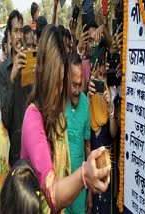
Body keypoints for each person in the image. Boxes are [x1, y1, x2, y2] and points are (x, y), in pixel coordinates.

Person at [21, 24, 110, 213]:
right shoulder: (32, 118)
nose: (61, 90)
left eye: (62, 83)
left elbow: (67, 170)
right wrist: (85, 174)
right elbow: (52, 193)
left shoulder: (57, 117)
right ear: (45, 77)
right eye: (57, 82)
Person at [0, 10, 32, 167]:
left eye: (21, 30)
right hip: (12, 155)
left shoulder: (30, 64)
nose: (19, 36)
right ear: (9, 35)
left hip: (30, 149)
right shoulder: (3, 71)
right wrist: (12, 77)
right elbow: (5, 117)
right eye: (15, 31)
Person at [88, 46, 117, 214]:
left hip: (106, 163)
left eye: (104, 76)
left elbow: (113, 133)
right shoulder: (88, 98)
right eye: (98, 75)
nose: (101, 79)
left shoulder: (110, 94)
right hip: (91, 162)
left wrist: (110, 108)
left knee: (106, 204)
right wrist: (88, 96)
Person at [65, 52, 91, 214]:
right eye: (73, 85)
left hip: (80, 188)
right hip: (60, 185)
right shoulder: (58, 103)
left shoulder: (86, 105)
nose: (76, 90)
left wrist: (89, 192)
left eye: (80, 85)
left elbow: (87, 146)